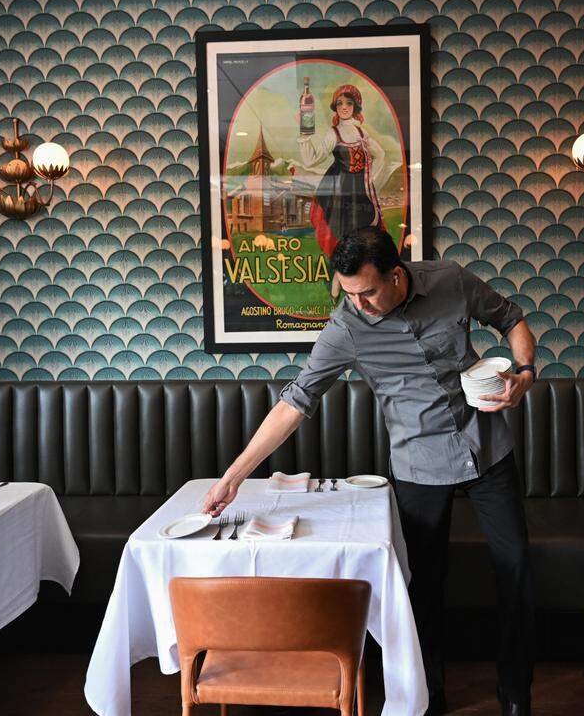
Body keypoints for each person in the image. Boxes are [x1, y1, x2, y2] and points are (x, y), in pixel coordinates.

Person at [203, 226, 537, 716]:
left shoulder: (450, 280)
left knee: (517, 569)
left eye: (367, 292)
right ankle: (428, 694)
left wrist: (524, 373)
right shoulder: (346, 328)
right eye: (349, 294)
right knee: (423, 585)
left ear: (396, 274)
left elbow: (511, 318)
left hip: (488, 449)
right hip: (419, 464)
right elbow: (295, 402)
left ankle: (515, 692)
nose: (358, 304)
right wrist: (232, 476)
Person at [298, 84, 395, 296]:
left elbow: (381, 155)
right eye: (340, 103)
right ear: (335, 106)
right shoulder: (334, 133)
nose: (344, 107)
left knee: (364, 240)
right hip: (340, 195)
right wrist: (305, 135)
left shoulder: (362, 132)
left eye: (349, 103)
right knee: (342, 241)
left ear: (355, 106)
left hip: (361, 194)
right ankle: (338, 283)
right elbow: (311, 160)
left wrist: (372, 180)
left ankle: (362, 287)